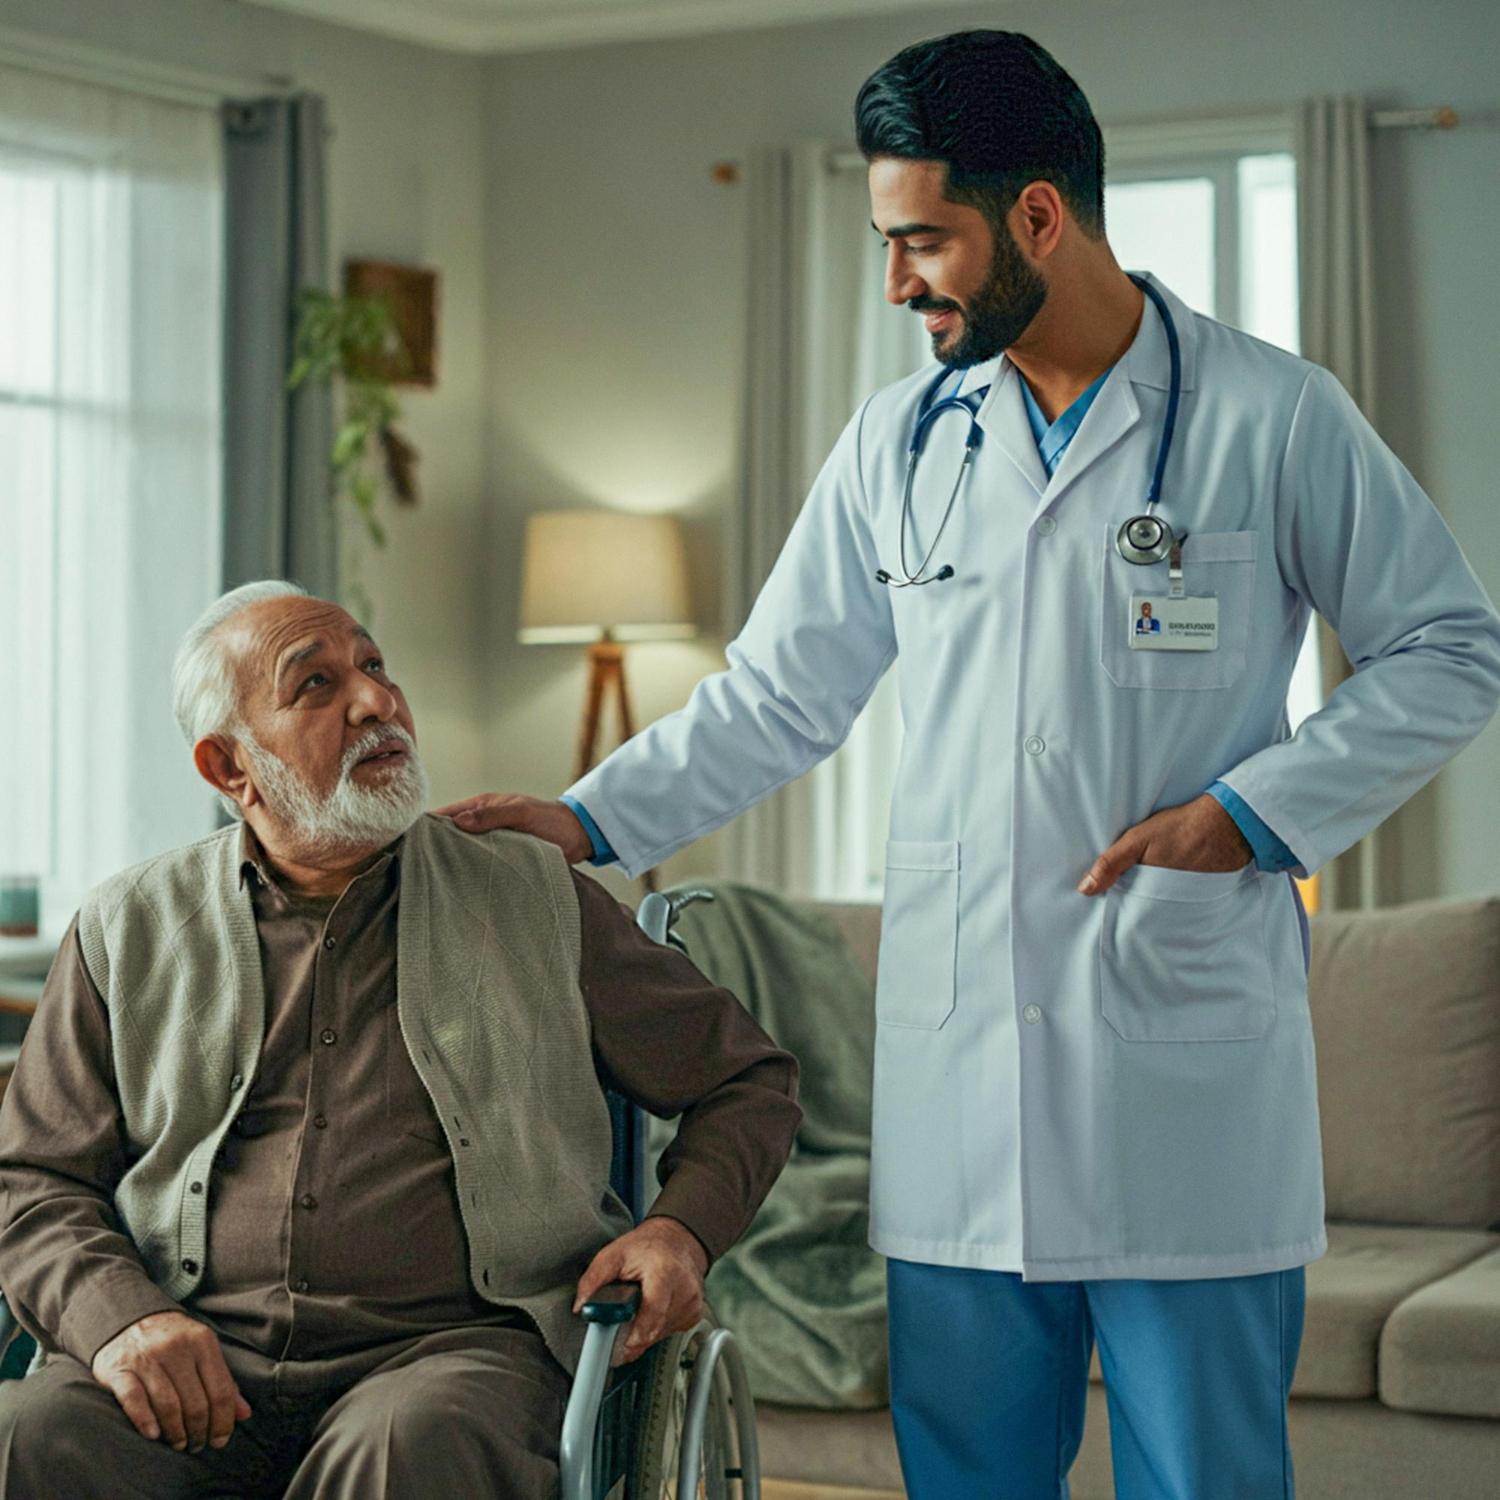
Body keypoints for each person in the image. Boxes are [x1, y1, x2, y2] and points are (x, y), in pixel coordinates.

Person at [437, 29, 1500, 1500]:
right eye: (883, 242)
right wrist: (589, 816)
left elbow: (1450, 648)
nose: (897, 283)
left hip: (1179, 1096)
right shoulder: (902, 442)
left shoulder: (1271, 416)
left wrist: (1244, 820)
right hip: (961, 1115)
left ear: (1039, 216)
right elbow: (780, 697)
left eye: (921, 241)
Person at [0, 580, 801, 1500]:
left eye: (375, 667)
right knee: (29, 1437)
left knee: (410, 1448)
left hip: (451, 1361)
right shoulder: (125, 926)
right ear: (230, 768)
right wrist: (118, 1321)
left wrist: (679, 1232)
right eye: (316, 685)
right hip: (193, 1361)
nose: (377, 700)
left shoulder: (532, 896)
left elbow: (749, 1081)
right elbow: (33, 1180)